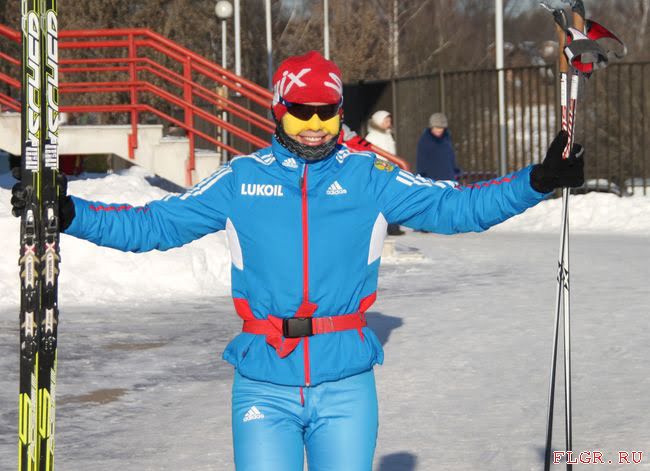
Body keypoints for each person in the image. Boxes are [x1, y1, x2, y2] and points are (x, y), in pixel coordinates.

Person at [11, 51, 584, 471]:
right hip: (264, 381)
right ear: (278, 111)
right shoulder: (241, 179)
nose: (314, 126)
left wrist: (535, 181)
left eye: (327, 113)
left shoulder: (369, 176)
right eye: (301, 113)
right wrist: (70, 212)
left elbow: (457, 208)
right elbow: (154, 225)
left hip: (346, 384)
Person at [364, 110, 404, 235]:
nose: (389, 123)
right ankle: (373, 227)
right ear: (379, 122)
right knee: (378, 201)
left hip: (390, 172)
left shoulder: (388, 135)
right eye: (386, 120)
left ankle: (393, 227)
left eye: (389, 120)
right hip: (379, 173)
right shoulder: (371, 137)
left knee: (392, 199)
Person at [416, 112, 461, 182]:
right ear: (431, 127)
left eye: (441, 128)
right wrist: (422, 175)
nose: (439, 130)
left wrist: (455, 170)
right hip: (432, 178)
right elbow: (421, 159)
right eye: (436, 127)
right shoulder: (425, 140)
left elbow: (450, 155)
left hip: (449, 177)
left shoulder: (447, 138)